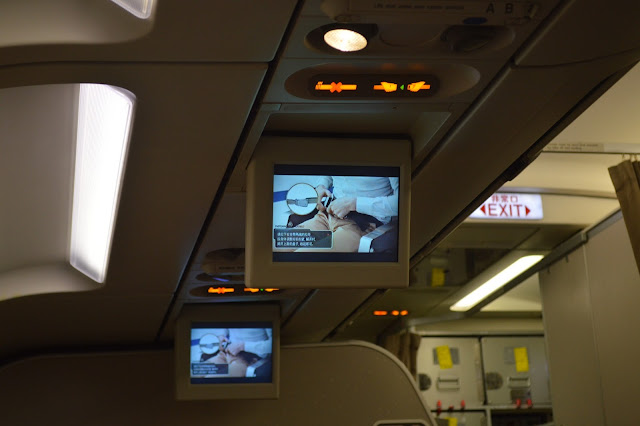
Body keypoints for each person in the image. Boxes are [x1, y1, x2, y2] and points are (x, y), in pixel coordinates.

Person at [295, 175, 399, 252]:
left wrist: (354, 204)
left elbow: (402, 202)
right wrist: (321, 185)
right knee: (285, 245)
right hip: (327, 215)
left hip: (363, 225)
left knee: (299, 258)